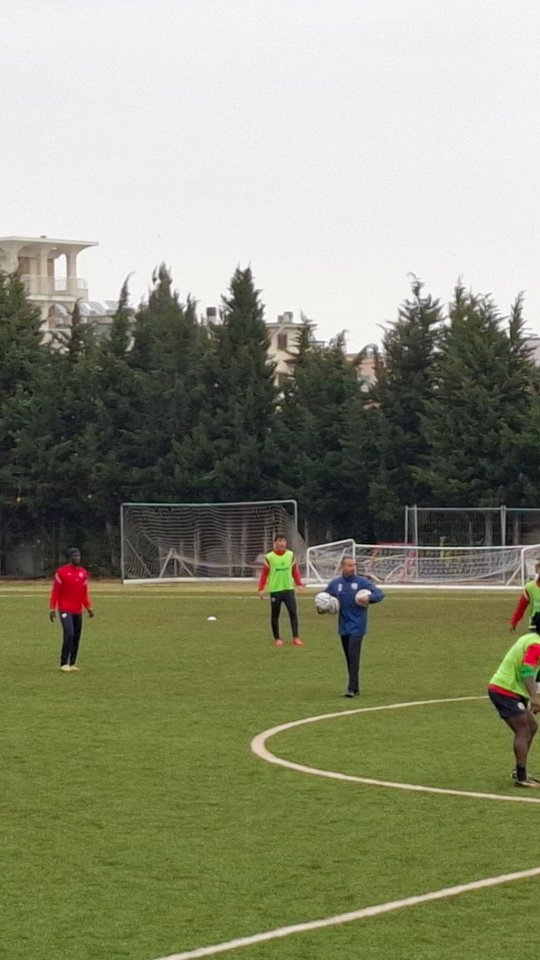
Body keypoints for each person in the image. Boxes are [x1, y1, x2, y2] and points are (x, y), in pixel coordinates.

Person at [488, 612, 540, 788]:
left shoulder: (531, 638)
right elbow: (527, 670)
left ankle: (520, 770)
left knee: (531, 726)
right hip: (504, 689)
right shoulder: (535, 644)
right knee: (524, 729)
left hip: (510, 690)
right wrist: (534, 698)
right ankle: (521, 777)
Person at [325, 556, 384, 697]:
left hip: (358, 626)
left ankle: (351, 688)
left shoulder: (362, 582)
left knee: (353, 656)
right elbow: (324, 597)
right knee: (349, 658)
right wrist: (323, 607)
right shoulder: (336, 584)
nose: (353, 568)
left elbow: (380, 594)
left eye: (354, 565)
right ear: (342, 567)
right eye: (349, 565)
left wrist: (369, 598)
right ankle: (355, 688)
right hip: (343, 627)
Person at [49, 547, 94, 672]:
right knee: (69, 633)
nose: (77, 558)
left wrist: (88, 607)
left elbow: (84, 593)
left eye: (79, 556)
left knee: (77, 636)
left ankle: (72, 663)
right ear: (70, 558)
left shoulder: (83, 573)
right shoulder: (61, 572)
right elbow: (55, 592)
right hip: (65, 609)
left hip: (77, 610)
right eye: (75, 556)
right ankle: (64, 663)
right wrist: (52, 608)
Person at [258, 534, 305, 646]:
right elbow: (264, 574)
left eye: (283, 541)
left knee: (293, 613)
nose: (282, 543)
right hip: (275, 590)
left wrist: (299, 583)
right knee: (275, 615)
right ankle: (277, 638)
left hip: (288, 589)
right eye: (279, 541)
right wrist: (261, 588)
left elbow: (295, 571)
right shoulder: (269, 557)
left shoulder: (290, 555)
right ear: (275, 543)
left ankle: (296, 637)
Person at [509, 558, 540, 689]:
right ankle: (534, 680)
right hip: (535, 625)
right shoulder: (530, 588)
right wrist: (514, 621)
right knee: (535, 653)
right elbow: (521, 606)